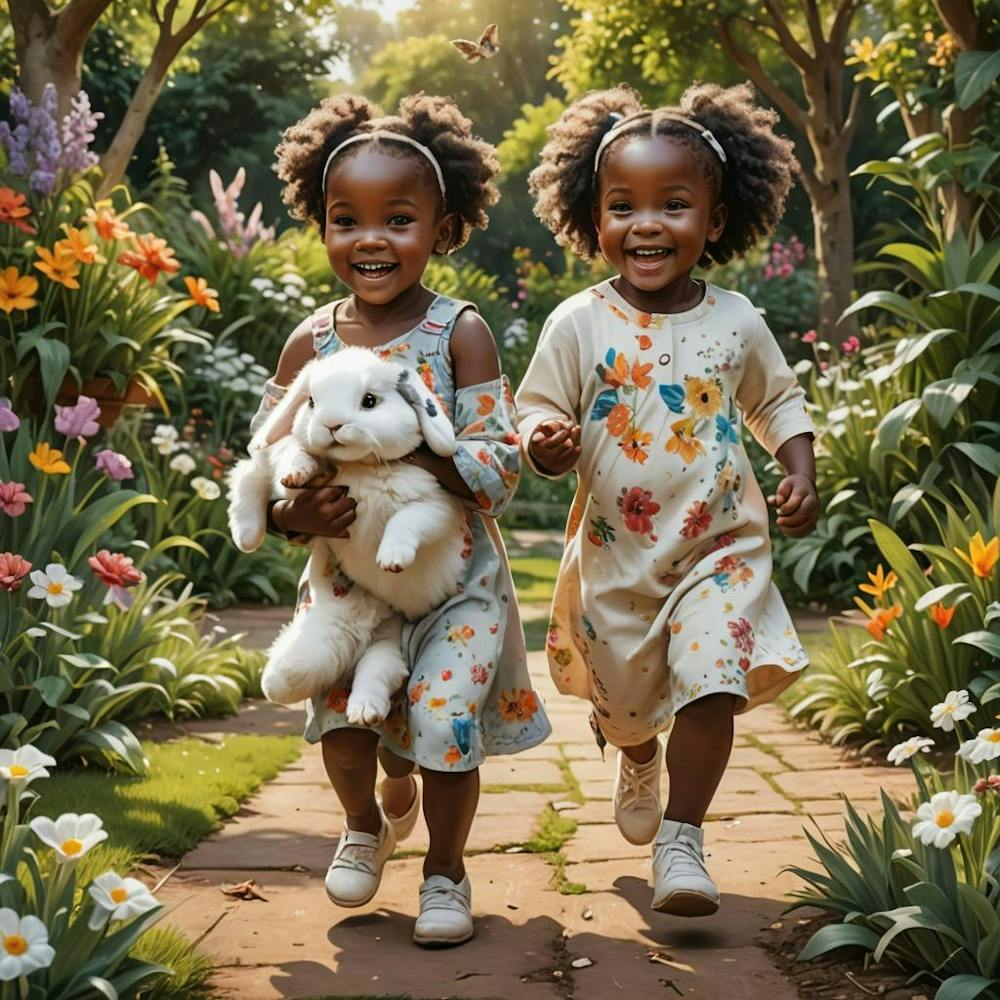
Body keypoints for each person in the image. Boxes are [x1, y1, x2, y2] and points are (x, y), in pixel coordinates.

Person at [253, 91, 551, 947]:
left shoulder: (462, 334)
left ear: (441, 227)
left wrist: (411, 454)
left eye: (398, 219)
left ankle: (447, 872)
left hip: (453, 581)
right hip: (347, 576)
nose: (371, 239)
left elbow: (498, 468)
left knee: (443, 719)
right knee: (344, 723)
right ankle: (364, 823)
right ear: (322, 226)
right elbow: (269, 454)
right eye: (347, 219)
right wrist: (287, 509)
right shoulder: (310, 344)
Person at [515, 82, 819, 917]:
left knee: (711, 676)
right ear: (594, 217)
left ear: (714, 222)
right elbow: (537, 406)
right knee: (627, 699)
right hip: (617, 555)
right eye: (624, 205)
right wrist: (544, 439)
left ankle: (684, 840)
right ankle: (634, 751)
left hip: (719, 546)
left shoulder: (737, 320)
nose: (646, 224)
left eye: (674, 204)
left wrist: (800, 469)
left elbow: (778, 403)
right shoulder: (577, 322)